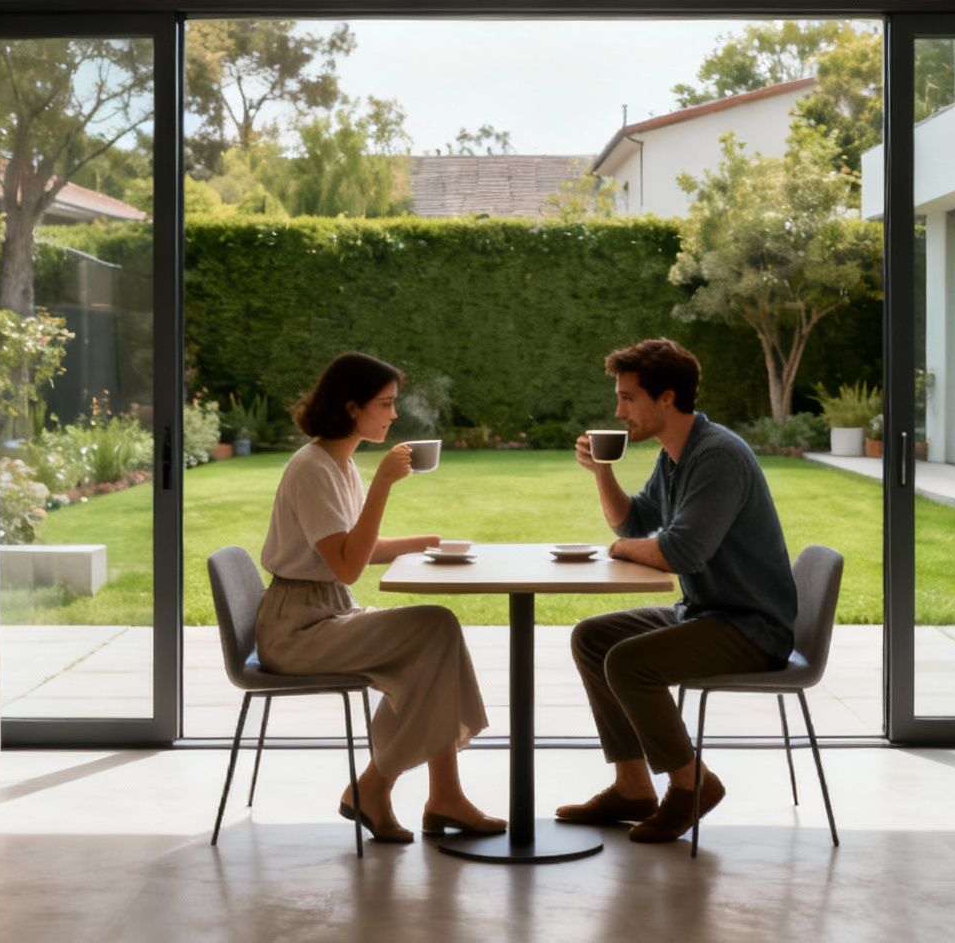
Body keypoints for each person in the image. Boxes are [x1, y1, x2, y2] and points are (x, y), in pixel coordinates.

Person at [254, 351, 504, 844]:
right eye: (386, 404)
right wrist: (384, 485)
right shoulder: (313, 469)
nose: (394, 414)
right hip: (296, 631)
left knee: (435, 642)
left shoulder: (339, 464)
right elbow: (347, 565)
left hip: (324, 611)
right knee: (435, 627)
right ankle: (375, 786)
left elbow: (353, 548)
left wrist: (424, 544)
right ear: (352, 408)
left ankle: (443, 795)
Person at [556, 337, 799, 843]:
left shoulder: (717, 457)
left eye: (627, 398)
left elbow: (680, 552)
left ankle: (691, 784)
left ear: (666, 398)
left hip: (751, 627)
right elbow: (633, 522)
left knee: (629, 663)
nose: (619, 411)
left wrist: (623, 550)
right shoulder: (674, 457)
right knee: (592, 639)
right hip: (706, 611)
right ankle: (632, 788)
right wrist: (602, 471)